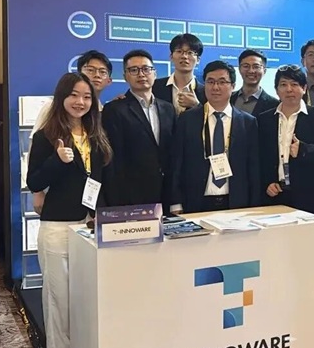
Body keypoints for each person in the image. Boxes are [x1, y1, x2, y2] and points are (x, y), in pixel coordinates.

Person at [27, 72, 112, 348]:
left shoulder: (95, 134)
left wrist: (99, 212)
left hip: (87, 227)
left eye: (87, 97)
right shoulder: (47, 136)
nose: (80, 102)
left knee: (85, 297)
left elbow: (98, 179)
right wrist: (57, 161)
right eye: (74, 95)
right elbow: (34, 181)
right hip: (58, 228)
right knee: (58, 299)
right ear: (62, 97)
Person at [29, 50, 113, 215]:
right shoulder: (51, 109)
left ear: (109, 80)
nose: (96, 75)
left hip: (90, 209)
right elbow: (35, 153)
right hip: (59, 205)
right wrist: (37, 193)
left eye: (102, 72)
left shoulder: (99, 115)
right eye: (90, 70)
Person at [171, 60, 260, 213]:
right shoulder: (187, 119)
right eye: (210, 82)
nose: (215, 87)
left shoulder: (248, 122)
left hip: (236, 202)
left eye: (222, 82)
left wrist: (255, 205)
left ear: (233, 86)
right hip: (196, 201)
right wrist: (175, 202)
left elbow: (253, 168)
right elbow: (177, 163)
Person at [102, 49, 177, 213]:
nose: (141, 74)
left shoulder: (168, 109)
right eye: (134, 70)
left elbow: (172, 154)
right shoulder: (114, 109)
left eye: (146, 69)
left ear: (154, 73)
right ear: (125, 76)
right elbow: (113, 160)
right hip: (130, 197)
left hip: (165, 194)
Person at [258, 64, 314, 216]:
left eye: (294, 84)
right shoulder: (264, 119)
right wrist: (267, 183)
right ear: (276, 90)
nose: (289, 89)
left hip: (308, 198)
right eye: (283, 85)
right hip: (274, 195)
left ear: (304, 88)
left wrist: (304, 150)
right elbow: (259, 157)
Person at [152, 33, 205, 114]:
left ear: (198, 59)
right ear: (171, 56)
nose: (184, 56)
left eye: (190, 52)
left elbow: (212, 119)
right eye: (179, 51)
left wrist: (197, 106)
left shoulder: (206, 92)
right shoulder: (155, 87)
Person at [230, 49, 279, 116]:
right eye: (246, 66)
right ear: (239, 69)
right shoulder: (228, 98)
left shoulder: (274, 105)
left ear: (264, 71)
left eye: (256, 67)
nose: (251, 71)